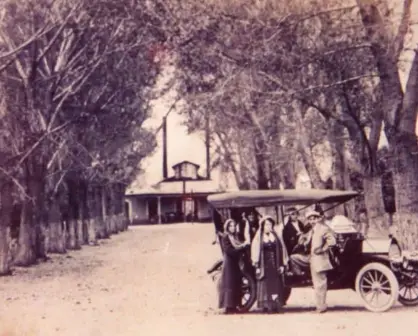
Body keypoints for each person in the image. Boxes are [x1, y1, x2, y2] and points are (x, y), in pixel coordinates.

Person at [251, 216, 289, 313]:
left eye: (270, 224)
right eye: (266, 224)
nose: (269, 226)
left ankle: (275, 305)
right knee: (265, 286)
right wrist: (257, 265)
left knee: (275, 285)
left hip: (274, 264)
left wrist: (281, 264)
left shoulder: (276, 236)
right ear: (263, 226)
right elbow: (255, 251)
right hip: (264, 264)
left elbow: (281, 249)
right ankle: (267, 306)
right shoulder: (259, 237)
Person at [307, 209, 337, 314]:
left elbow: (332, 241)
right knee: (317, 284)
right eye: (310, 219)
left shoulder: (323, 229)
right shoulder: (312, 230)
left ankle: (321, 307)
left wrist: (323, 249)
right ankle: (320, 306)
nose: (312, 221)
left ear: (318, 219)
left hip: (320, 260)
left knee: (320, 284)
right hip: (313, 260)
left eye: (314, 218)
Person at [218, 218, 249, 314]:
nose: (233, 227)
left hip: (236, 263)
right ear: (227, 227)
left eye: (234, 226)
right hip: (230, 264)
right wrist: (243, 247)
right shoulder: (226, 237)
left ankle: (235, 306)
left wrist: (243, 247)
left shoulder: (235, 236)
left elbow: (238, 247)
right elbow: (229, 251)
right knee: (229, 284)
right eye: (230, 226)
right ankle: (228, 307)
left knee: (236, 284)